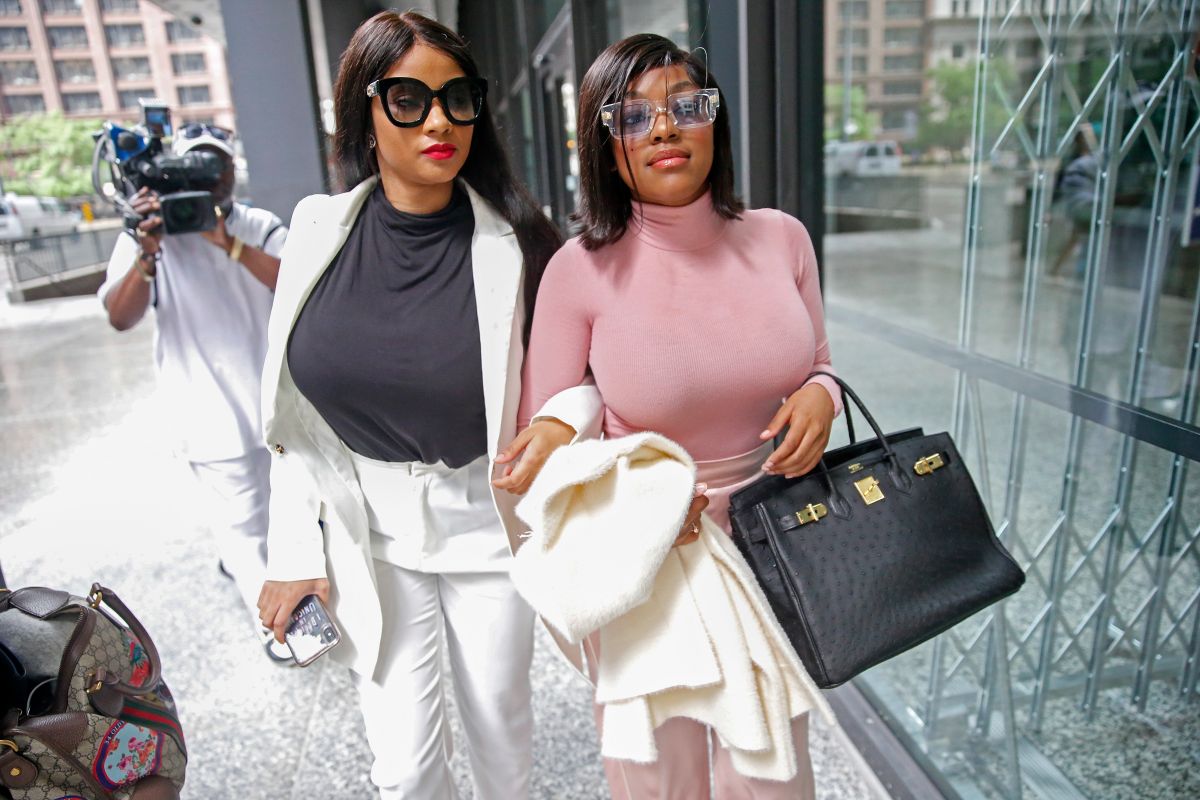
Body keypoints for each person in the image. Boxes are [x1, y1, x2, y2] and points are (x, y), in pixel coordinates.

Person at [254, 12, 601, 800]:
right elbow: (291, 416)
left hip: (487, 521)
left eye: (457, 99)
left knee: (500, 740)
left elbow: (585, 374)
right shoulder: (315, 229)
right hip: (365, 530)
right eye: (408, 98)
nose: (438, 120)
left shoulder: (519, 243)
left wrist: (558, 422)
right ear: (365, 115)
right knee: (405, 769)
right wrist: (291, 557)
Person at [512, 34, 842, 799]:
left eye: (686, 106)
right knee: (660, 781)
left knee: (773, 774)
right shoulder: (578, 269)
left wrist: (821, 396)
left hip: (774, 544)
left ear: (714, 122)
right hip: (647, 561)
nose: (665, 129)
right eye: (633, 117)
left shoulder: (782, 239)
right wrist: (641, 506)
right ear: (603, 140)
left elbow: (821, 362)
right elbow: (549, 458)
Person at [98, 124, 288, 661]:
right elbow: (119, 316)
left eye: (216, 167)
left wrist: (228, 243)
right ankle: (273, 628)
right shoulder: (147, 232)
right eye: (194, 168)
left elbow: (295, 279)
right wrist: (145, 252)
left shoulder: (255, 223)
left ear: (231, 172)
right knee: (245, 529)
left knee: (286, 517)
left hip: (275, 406)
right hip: (207, 413)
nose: (207, 180)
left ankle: (260, 578)